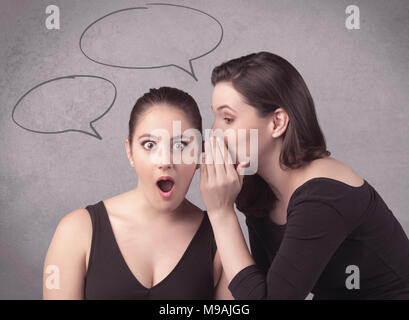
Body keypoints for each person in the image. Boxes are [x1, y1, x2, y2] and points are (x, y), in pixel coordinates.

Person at [199, 51, 409, 299]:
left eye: (227, 118)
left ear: (277, 123)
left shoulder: (325, 195)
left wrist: (220, 213)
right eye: (215, 117)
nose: (214, 132)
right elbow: (258, 286)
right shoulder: (258, 188)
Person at [43, 86, 233, 299]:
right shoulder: (76, 230)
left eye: (180, 145)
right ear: (130, 151)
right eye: (149, 144)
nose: (164, 161)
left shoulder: (223, 241)